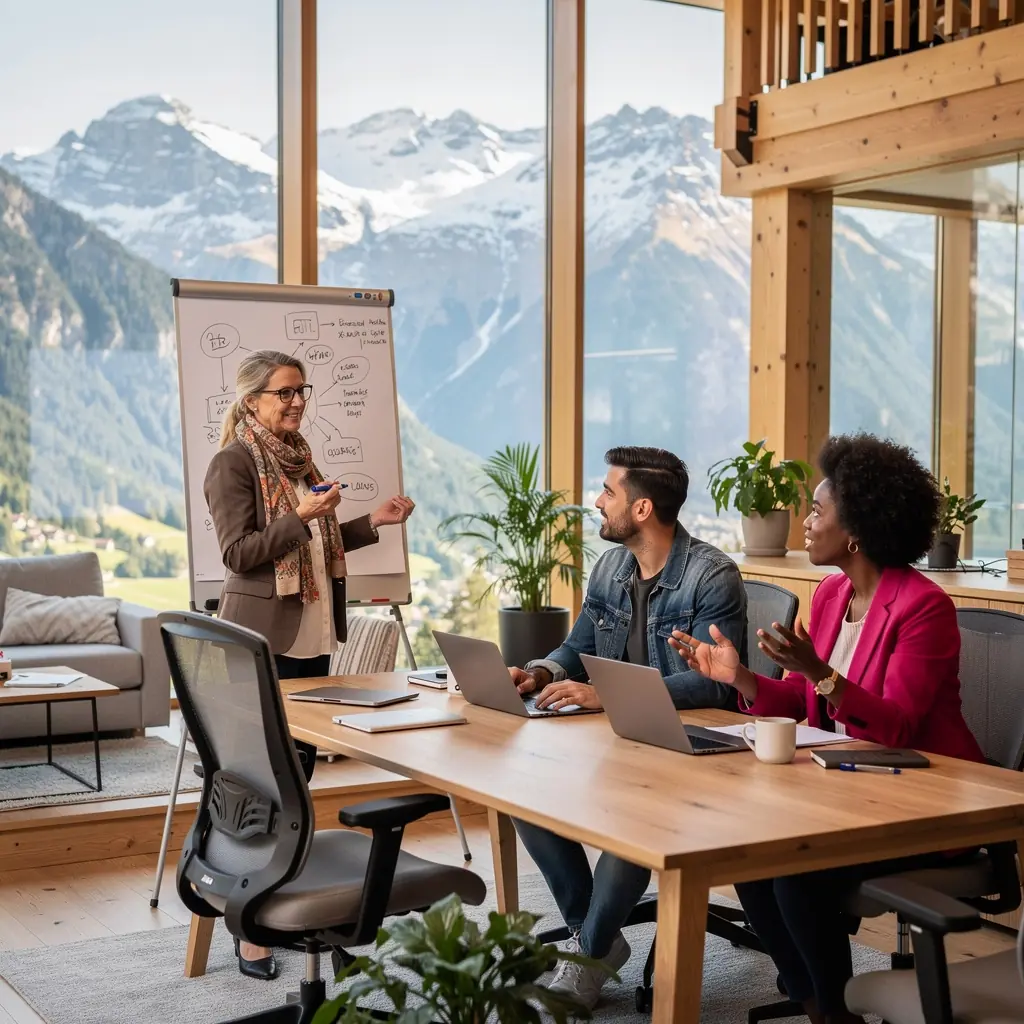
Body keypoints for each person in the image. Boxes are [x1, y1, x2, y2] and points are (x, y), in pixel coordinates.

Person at [670, 433, 985, 1024]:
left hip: (925, 802)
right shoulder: (834, 592)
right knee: (746, 857)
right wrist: (742, 680)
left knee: (793, 871)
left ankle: (832, 1013)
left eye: (817, 510)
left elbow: (896, 725)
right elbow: (812, 707)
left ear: (858, 528)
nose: (806, 523)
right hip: (846, 791)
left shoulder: (923, 608)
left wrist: (820, 670)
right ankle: (815, 999)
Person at [507, 445, 747, 1010]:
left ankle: (586, 959)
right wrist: (540, 671)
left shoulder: (712, 576)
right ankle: (598, 939)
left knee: (636, 824)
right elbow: (579, 644)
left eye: (608, 492)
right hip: (621, 740)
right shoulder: (612, 567)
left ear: (641, 509)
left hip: (691, 745)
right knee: (523, 789)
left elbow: (717, 685)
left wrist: (604, 695)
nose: (597, 502)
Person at [204, 349, 415, 980]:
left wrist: (367, 524)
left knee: (297, 782)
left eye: (303, 391)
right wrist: (302, 516)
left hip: (314, 637)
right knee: (264, 787)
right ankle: (252, 929)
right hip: (264, 639)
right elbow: (240, 555)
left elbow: (315, 542)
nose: (298, 402)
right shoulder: (234, 462)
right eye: (286, 393)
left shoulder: (296, 456)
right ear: (253, 402)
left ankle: (296, 910)